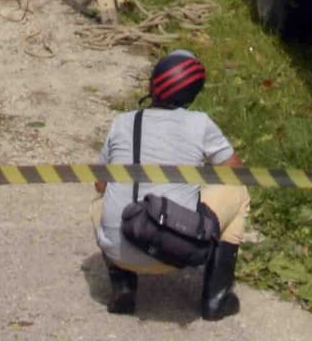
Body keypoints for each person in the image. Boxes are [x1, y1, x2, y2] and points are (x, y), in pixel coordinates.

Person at [94, 50, 245, 321]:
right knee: (239, 192)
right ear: (194, 92)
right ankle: (215, 298)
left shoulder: (122, 122)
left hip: (118, 251)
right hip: (174, 252)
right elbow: (236, 172)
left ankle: (123, 284)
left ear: (152, 85)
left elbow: (99, 185)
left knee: (98, 203)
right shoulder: (200, 124)